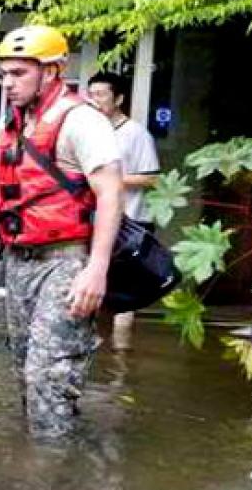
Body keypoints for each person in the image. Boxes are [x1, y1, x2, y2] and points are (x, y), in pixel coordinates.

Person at [0, 25, 124, 440]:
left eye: (18, 73)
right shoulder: (6, 130)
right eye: (4, 73)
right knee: (25, 375)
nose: (7, 83)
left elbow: (110, 194)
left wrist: (96, 269)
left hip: (67, 260)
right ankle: (46, 458)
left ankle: (53, 468)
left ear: (51, 71)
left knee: (48, 377)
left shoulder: (81, 121)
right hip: (18, 262)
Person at [87, 72, 161, 351]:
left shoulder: (136, 133)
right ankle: (101, 351)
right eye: (91, 94)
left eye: (101, 94)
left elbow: (151, 178)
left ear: (118, 98)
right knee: (97, 288)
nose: (94, 100)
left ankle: (120, 355)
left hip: (131, 221)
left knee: (123, 292)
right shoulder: (90, 133)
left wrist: (110, 179)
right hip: (95, 220)